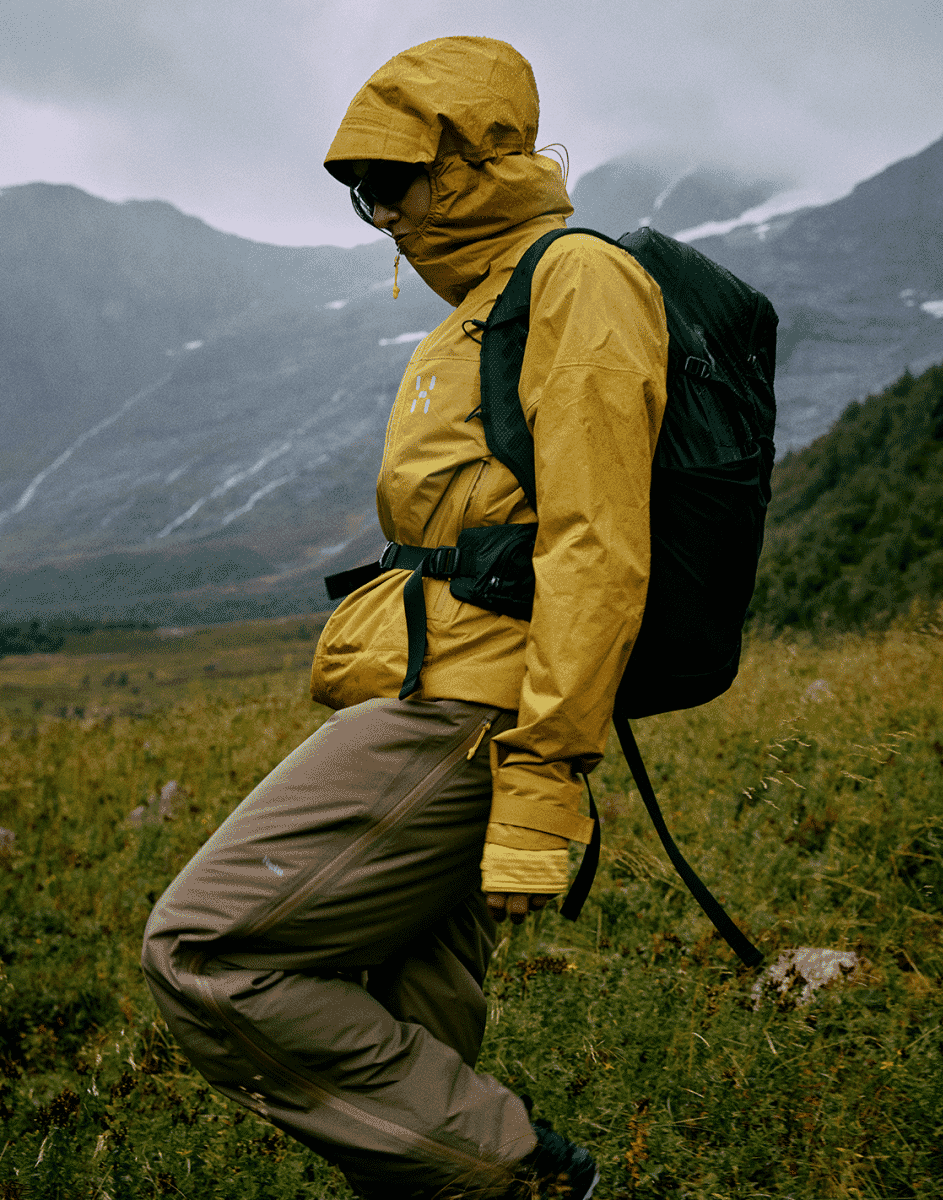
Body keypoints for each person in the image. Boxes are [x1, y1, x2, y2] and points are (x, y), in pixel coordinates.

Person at [142, 35, 667, 1200]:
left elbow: (597, 547)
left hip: (471, 711)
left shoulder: (575, 279)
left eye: (391, 179)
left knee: (206, 953)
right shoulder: (482, 303)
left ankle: (535, 1180)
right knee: (406, 1031)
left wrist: (540, 782)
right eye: (357, 190)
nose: (376, 213)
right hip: (430, 691)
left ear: (470, 159)